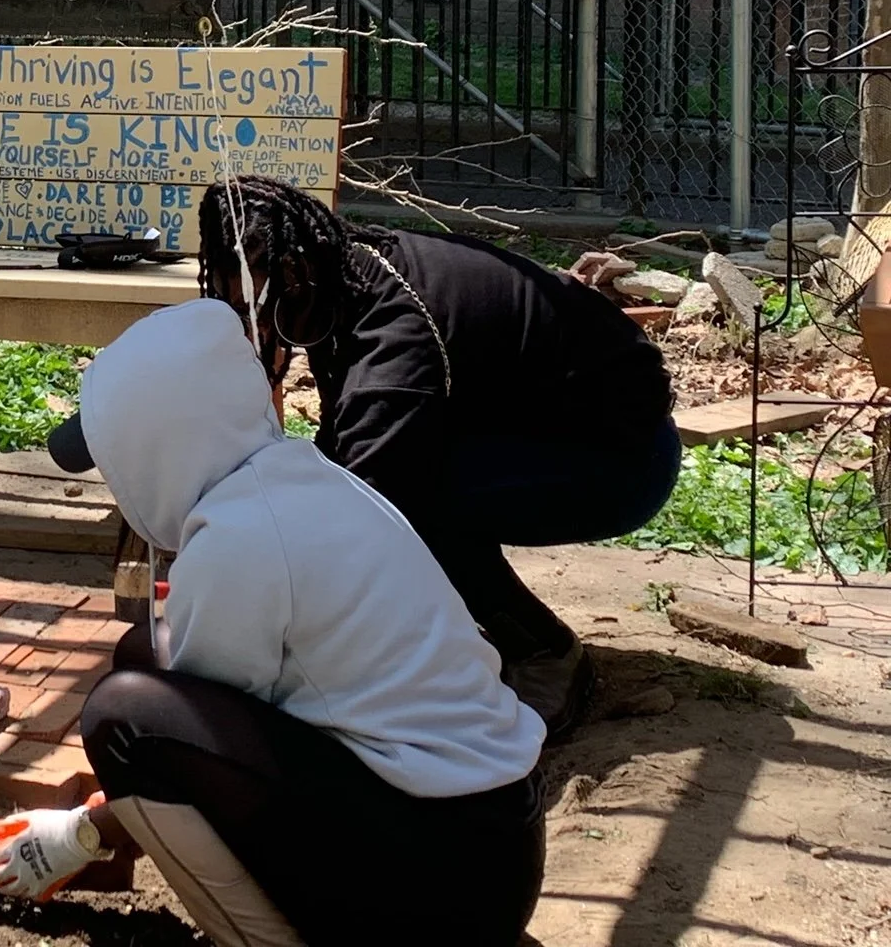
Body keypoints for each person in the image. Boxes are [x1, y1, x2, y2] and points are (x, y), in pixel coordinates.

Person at [0, 299, 547, 945]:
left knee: (124, 720)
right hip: (490, 835)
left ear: (155, 449)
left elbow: (183, 750)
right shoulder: (301, 482)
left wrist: (80, 834)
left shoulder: (237, 540)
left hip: (441, 878)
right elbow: (207, 711)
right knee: (148, 654)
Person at [185, 175, 680, 737]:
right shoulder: (345, 269)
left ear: (293, 272)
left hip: (622, 457)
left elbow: (361, 518)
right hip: (553, 422)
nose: (242, 317)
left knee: (412, 503)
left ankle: (546, 652)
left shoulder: (392, 341)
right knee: (383, 484)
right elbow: (341, 451)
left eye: (246, 300)